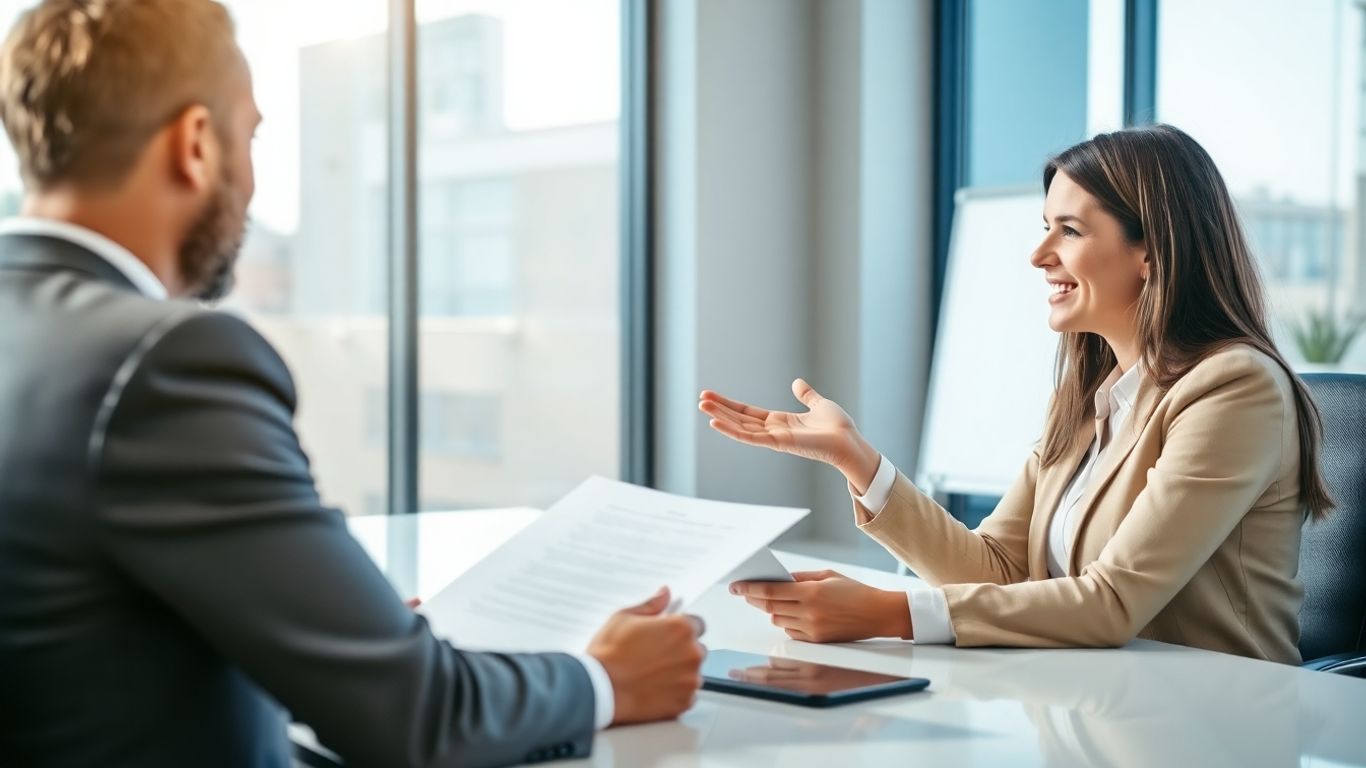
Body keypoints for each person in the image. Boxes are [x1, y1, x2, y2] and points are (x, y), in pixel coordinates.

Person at [0, 2, 703, 766]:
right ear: (196, 143)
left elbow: (73, 636)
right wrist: (604, 679)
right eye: (254, 134)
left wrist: (335, 635)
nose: (253, 175)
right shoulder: (166, 361)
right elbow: (419, 720)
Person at [700, 124, 1331, 664]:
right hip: (1092, 710)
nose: (1038, 254)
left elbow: (1112, 602)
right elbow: (995, 567)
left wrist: (889, 611)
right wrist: (855, 459)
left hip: (1209, 727)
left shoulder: (1236, 390)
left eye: (1070, 231)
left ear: (1150, 251)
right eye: (1044, 227)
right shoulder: (1092, 400)